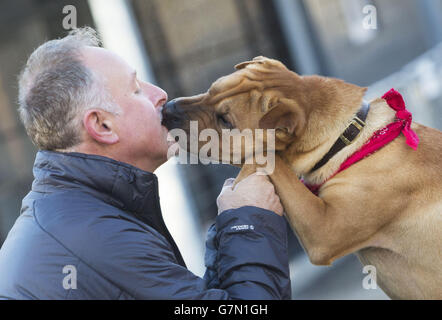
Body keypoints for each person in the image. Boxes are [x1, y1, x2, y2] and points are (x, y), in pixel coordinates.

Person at [0, 27, 291, 299]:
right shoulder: (93, 238)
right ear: (102, 125)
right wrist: (250, 222)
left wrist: (232, 226)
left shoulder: (79, 215)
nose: (160, 94)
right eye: (136, 89)